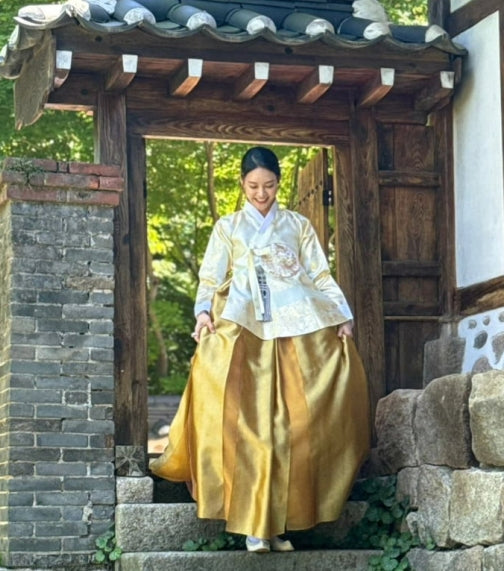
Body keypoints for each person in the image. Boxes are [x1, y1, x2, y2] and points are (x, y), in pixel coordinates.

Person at [150, 146, 370, 553]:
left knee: (289, 430)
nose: (261, 193)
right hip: (242, 329)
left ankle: (276, 524)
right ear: (242, 184)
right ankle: (254, 526)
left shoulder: (297, 225)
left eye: (268, 185)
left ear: (278, 184)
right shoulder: (228, 227)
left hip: (293, 331)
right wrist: (202, 314)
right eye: (253, 186)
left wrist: (341, 313)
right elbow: (210, 276)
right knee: (248, 430)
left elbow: (319, 272)